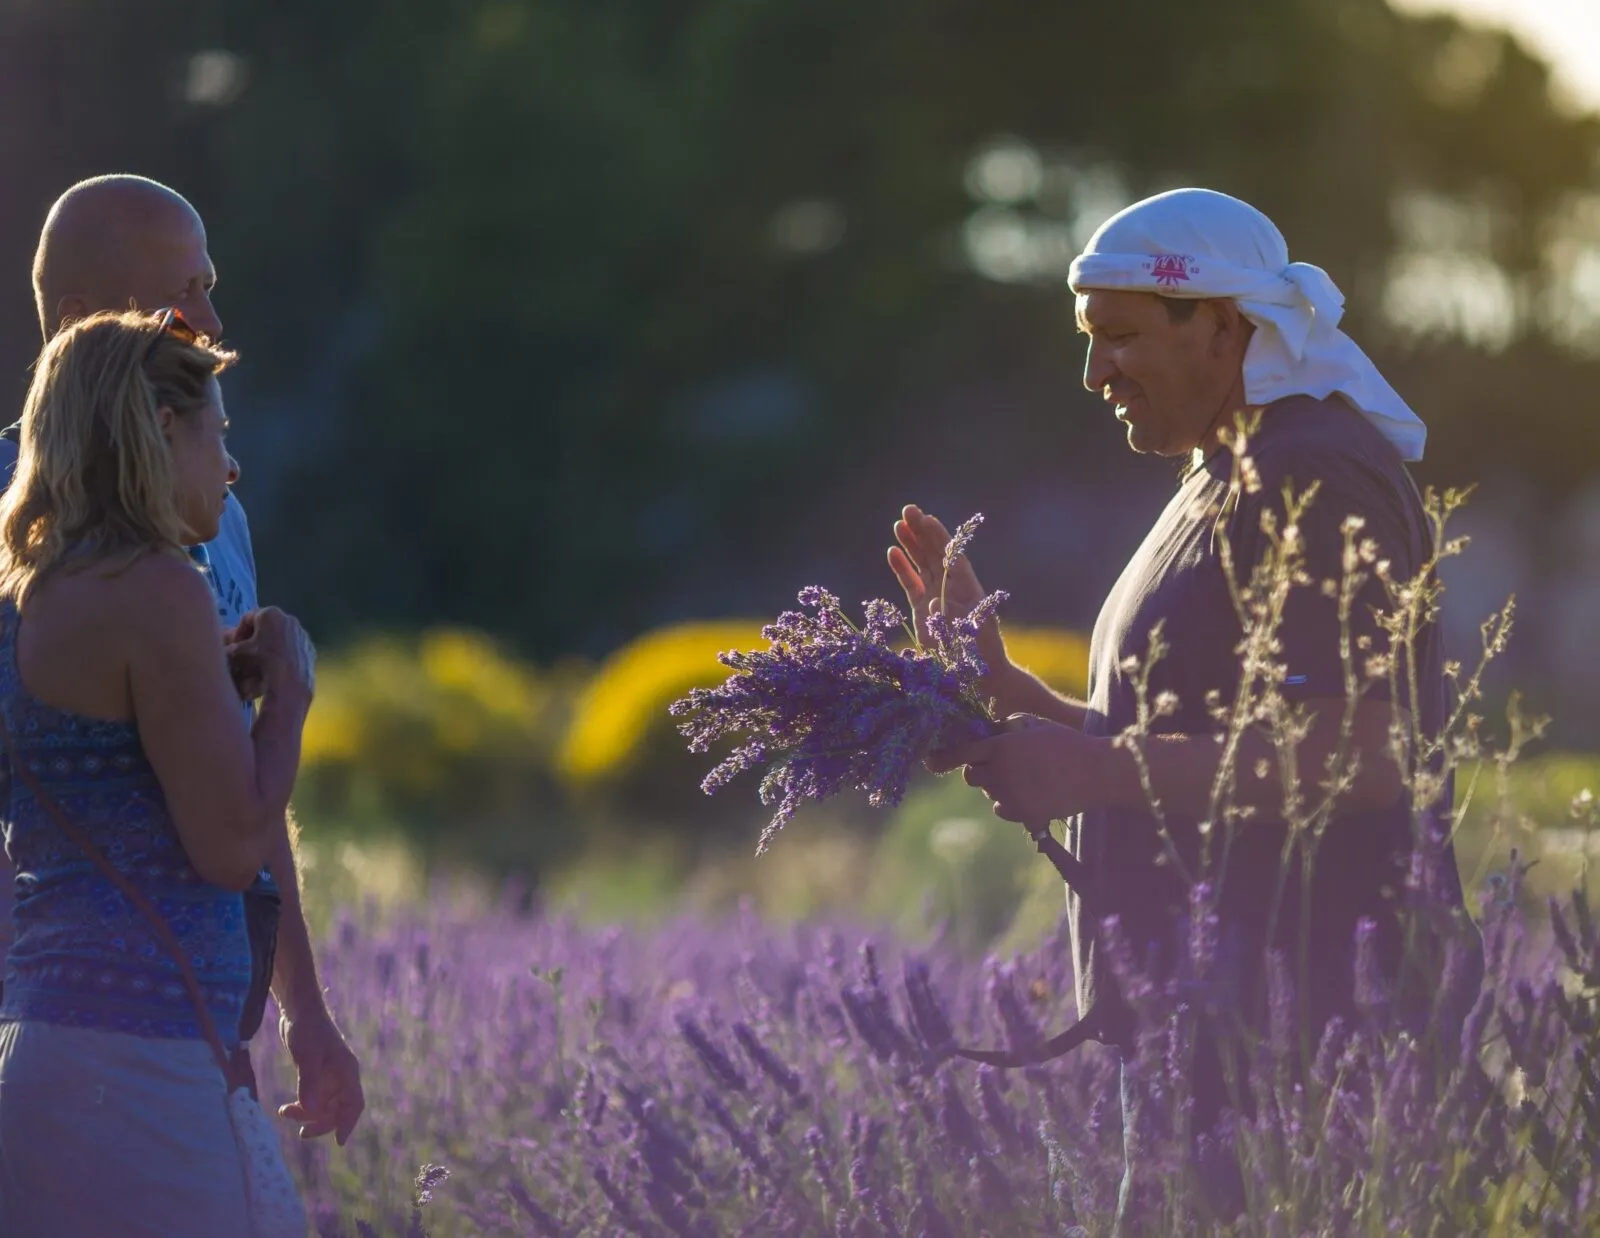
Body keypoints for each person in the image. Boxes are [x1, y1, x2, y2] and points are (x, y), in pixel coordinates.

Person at [892, 188, 1479, 1213]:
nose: (1094, 373)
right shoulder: (1220, 475)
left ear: (1219, 324)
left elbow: (1364, 755)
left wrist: (1089, 771)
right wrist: (1009, 692)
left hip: (1307, 1064)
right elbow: (1189, 739)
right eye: (1089, 342)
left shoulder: (1318, 474)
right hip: (1204, 1051)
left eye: (1118, 338)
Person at [0, 174, 362, 1144]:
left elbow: (234, 773)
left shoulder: (217, 509)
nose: (210, 318)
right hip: (77, 1022)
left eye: (209, 284)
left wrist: (306, 1013)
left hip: (197, 1026)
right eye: (181, 293)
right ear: (80, 319)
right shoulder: (10, 515)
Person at [0, 309, 311, 1234]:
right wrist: (287, 696)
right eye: (217, 433)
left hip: (40, 1048)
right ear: (163, 432)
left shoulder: (25, 598)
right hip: (148, 1070)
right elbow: (230, 847)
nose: (229, 465)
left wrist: (211, 686)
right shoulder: (164, 587)